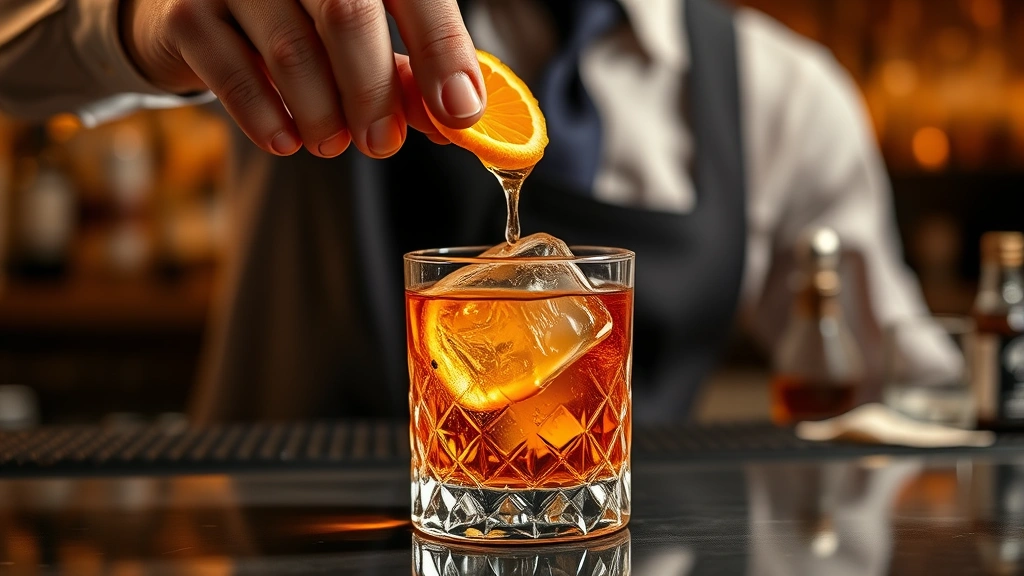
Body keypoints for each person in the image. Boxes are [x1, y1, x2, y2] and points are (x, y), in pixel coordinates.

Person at [0, 0, 950, 423]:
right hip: (272, 544)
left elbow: (897, 378)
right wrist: (135, 21)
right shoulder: (318, 8)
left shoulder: (785, 92)